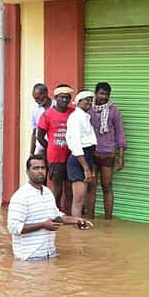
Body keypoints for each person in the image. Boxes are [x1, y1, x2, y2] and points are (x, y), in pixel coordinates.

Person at [6, 154, 93, 260]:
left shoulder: (47, 193)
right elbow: (14, 227)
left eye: (42, 168)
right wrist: (42, 225)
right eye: (35, 168)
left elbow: (56, 217)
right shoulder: (21, 196)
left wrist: (76, 220)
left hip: (50, 256)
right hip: (29, 259)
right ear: (27, 172)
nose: (40, 171)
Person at [88, 82, 127, 219]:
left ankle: (108, 220)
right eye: (101, 93)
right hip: (91, 153)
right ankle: (90, 219)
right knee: (91, 187)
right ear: (95, 93)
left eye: (107, 94)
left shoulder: (114, 111)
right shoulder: (88, 109)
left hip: (108, 153)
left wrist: (121, 157)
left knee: (107, 186)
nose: (104, 97)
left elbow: (120, 134)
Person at [36, 84, 74, 213]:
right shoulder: (47, 115)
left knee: (69, 189)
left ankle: (68, 216)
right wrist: (50, 147)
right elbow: (39, 136)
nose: (65, 100)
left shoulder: (73, 113)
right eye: (62, 97)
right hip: (55, 157)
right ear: (56, 97)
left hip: (71, 157)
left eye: (67, 98)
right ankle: (54, 214)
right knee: (57, 190)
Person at [66, 90, 98, 218]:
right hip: (79, 159)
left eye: (91, 100)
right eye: (87, 100)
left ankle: (81, 228)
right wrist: (86, 168)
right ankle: (77, 232)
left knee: (82, 197)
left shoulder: (85, 116)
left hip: (87, 157)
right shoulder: (75, 118)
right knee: (78, 200)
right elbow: (76, 145)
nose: (90, 102)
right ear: (79, 101)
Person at [28, 83, 52, 156]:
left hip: (56, 148)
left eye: (38, 98)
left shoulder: (56, 106)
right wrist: (31, 153)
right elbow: (34, 132)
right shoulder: (34, 109)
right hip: (42, 149)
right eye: (35, 99)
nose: (36, 101)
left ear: (45, 93)